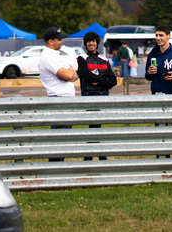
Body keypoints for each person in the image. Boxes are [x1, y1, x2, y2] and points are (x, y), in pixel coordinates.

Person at [39, 27, 78, 162]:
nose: (62, 41)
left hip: (65, 100)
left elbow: (74, 73)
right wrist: (68, 75)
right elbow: (68, 74)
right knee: (59, 139)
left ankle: (58, 167)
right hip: (59, 100)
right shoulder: (48, 56)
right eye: (59, 39)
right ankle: (54, 168)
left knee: (64, 139)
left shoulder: (56, 54)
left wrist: (69, 75)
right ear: (50, 41)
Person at [77, 31, 117, 161]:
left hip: (102, 98)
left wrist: (99, 81)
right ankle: (96, 156)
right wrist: (104, 81)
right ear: (85, 44)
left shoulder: (104, 60)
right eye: (88, 41)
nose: (91, 43)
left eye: (93, 41)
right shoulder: (82, 59)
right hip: (89, 98)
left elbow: (113, 80)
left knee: (97, 127)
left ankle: (92, 156)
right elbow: (86, 76)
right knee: (93, 128)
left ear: (97, 43)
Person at [145, 24, 172, 94]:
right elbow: (147, 76)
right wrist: (149, 72)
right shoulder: (152, 54)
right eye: (156, 35)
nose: (158, 38)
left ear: (168, 36)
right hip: (157, 95)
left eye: (161, 35)